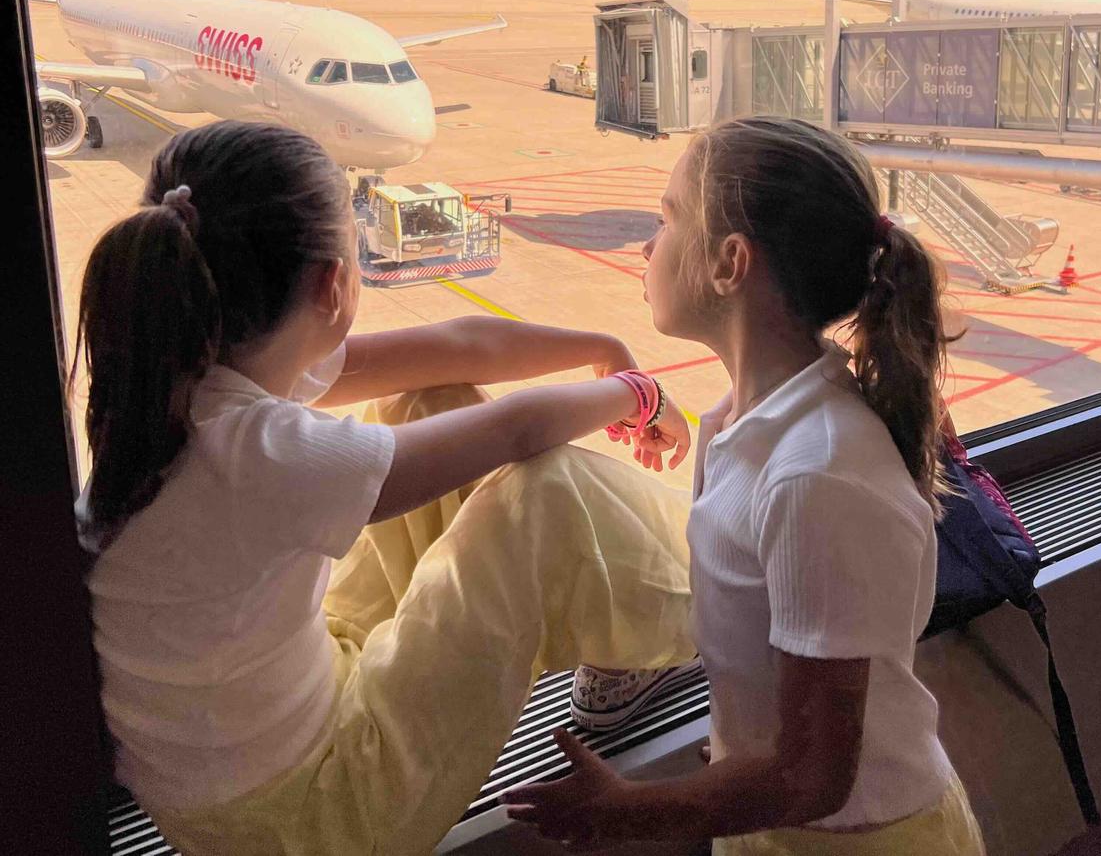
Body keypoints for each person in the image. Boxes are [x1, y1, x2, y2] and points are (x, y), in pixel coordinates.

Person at [73, 120, 698, 855]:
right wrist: (637, 395)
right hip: (316, 818)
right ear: (334, 284)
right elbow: (514, 432)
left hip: (258, 756)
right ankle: (712, 604)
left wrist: (601, 349)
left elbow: (458, 349)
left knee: (421, 403)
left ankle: (635, 617)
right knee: (551, 496)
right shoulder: (262, 456)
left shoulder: (181, 380)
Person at [507, 117, 986, 855]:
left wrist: (634, 810)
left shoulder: (813, 474)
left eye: (667, 218)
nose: (647, 243)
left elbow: (816, 775)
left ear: (731, 262)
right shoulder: (742, 421)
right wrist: (743, 753)